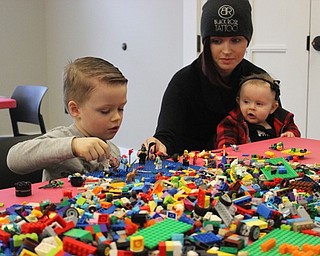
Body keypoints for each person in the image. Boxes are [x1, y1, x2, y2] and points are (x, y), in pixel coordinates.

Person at [143, 0, 268, 156]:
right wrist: (157, 144)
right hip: (191, 172)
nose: (227, 50)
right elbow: (166, 136)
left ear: (247, 42)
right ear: (206, 43)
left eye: (235, 40)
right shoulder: (183, 82)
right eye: (217, 41)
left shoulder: (261, 81)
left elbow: (279, 128)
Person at [7, 56, 128, 181]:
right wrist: (72, 146)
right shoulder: (62, 139)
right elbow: (14, 159)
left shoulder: (113, 152)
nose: (116, 117)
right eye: (105, 111)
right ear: (75, 109)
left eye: (121, 108)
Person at [216, 73, 301, 148]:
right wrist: (230, 150)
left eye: (259, 104)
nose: (251, 107)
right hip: (244, 162)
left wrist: (290, 134)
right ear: (238, 101)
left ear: (272, 108)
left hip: (275, 161)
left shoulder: (282, 119)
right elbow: (225, 144)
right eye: (246, 102)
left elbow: (294, 130)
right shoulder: (232, 122)